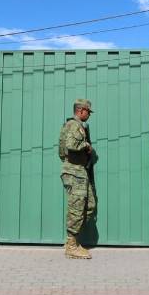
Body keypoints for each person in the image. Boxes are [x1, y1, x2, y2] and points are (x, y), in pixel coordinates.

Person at [59, 98, 96, 259]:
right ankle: (71, 245)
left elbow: (62, 150)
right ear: (81, 110)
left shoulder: (76, 126)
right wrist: (86, 146)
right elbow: (70, 145)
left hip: (79, 171)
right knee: (77, 207)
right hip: (74, 171)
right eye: (88, 111)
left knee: (89, 206)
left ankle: (72, 242)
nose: (89, 115)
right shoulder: (74, 125)